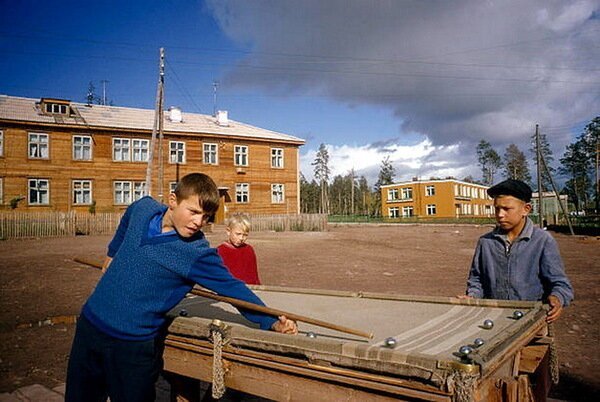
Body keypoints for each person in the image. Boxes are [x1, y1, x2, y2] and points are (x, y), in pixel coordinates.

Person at [65, 173, 297, 402]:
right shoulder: (145, 210)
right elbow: (130, 212)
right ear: (173, 201)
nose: (199, 222)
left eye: (206, 216)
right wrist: (112, 252)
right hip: (90, 328)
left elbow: (232, 288)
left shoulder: (196, 253)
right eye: (194, 212)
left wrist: (272, 320)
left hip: (131, 347)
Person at [462, 179, 573, 323]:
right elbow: (476, 280)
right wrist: (472, 296)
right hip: (493, 319)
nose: (500, 214)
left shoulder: (542, 241)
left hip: (530, 321)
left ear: (526, 209)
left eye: (507, 209)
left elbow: (560, 283)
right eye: (497, 209)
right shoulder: (486, 242)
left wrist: (557, 298)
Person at [217, 213, 261, 285]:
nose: (241, 238)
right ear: (228, 231)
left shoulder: (249, 250)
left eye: (245, 235)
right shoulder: (220, 251)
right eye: (238, 234)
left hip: (249, 289)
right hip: (229, 290)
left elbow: (254, 274)